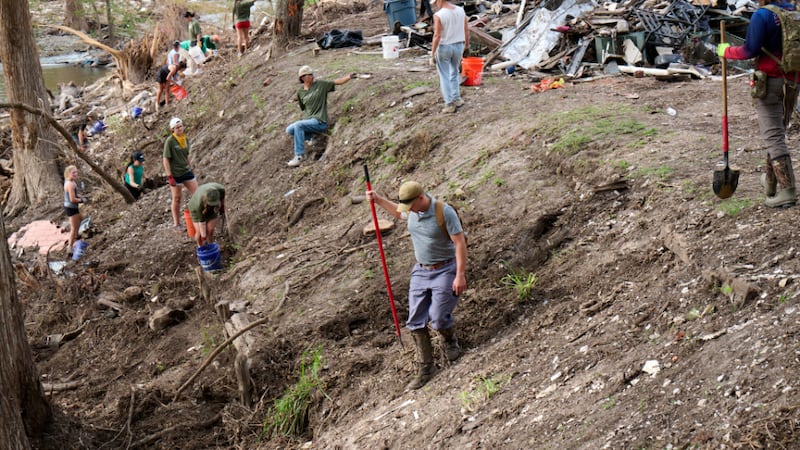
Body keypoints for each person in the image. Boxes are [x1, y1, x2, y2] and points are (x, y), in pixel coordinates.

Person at [365, 181, 467, 390]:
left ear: (421, 198)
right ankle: (426, 368)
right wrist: (378, 200)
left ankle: (449, 340)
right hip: (421, 271)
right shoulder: (412, 212)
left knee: (438, 317)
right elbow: (398, 213)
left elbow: (459, 243)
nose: (408, 210)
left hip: (445, 268)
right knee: (415, 320)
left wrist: (460, 275)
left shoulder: (443, 212)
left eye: (411, 205)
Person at [718, 1, 798, 208]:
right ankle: (771, 182)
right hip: (792, 81)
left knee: (773, 135)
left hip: (770, 82)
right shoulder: (793, 12)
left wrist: (726, 51)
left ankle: (788, 190)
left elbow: (749, 50)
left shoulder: (762, 15)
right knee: (777, 130)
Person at [285, 65, 354, 167]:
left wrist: (349, 77)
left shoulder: (320, 85)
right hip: (309, 122)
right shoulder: (300, 92)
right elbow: (304, 108)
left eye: (312, 74)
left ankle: (299, 156)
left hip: (319, 121)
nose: (312, 76)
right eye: (310, 75)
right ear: (303, 78)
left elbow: (336, 82)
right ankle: (311, 137)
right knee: (289, 130)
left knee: (298, 125)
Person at [430, 0, 469, 114]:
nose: (435, 4)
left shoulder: (439, 15)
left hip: (444, 47)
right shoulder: (461, 11)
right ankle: (457, 99)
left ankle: (449, 104)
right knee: (454, 72)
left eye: (435, 2)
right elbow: (466, 29)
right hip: (458, 45)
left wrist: (432, 53)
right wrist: (466, 45)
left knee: (444, 76)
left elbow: (437, 35)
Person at [163, 117, 198, 230]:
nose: (179, 129)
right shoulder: (170, 141)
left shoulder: (185, 139)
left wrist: (191, 166)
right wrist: (169, 176)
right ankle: (176, 223)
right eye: (177, 127)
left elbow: (187, 154)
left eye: (181, 126)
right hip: (175, 173)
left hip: (186, 170)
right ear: (173, 129)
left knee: (197, 193)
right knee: (177, 198)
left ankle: (201, 217)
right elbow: (166, 159)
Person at [63, 165, 86, 253]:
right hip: (70, 207)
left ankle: (77, 237)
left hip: (72, 206)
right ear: (68, 173)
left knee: (81, 219)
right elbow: (72, 199)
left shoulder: (71, 181)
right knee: (74, 227)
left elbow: (75, 195)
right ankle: (70, 247)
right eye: (73, 173)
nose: (75, 174)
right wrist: (82, 200)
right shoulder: (70, 184)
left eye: (76, 172)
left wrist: (82, 197)